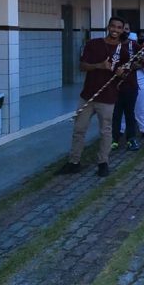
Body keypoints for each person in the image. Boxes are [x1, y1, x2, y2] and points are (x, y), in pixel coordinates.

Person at [57, 16, 137, 177]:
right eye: (113, 26)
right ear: (108, 27)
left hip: (107, 97)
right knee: (79, 130)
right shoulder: (93, 44)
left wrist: (121, 73)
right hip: (88, 96)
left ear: (122, 30)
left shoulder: (124, 50)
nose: (115, 30)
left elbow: (126, 72)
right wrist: (99, 66)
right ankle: (74, 162)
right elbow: (82, 66)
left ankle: (103, 162)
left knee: (105, 131)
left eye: (119, 27)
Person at [112, 30, 141, 151]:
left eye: (126, 28)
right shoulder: (112, 45)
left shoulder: (133, 45)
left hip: (130, 86)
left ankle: (131, 139)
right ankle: (114, 140)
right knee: (115, 114)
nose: (123, 31)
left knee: (129, 113)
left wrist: (137, 65)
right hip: (114, 87)